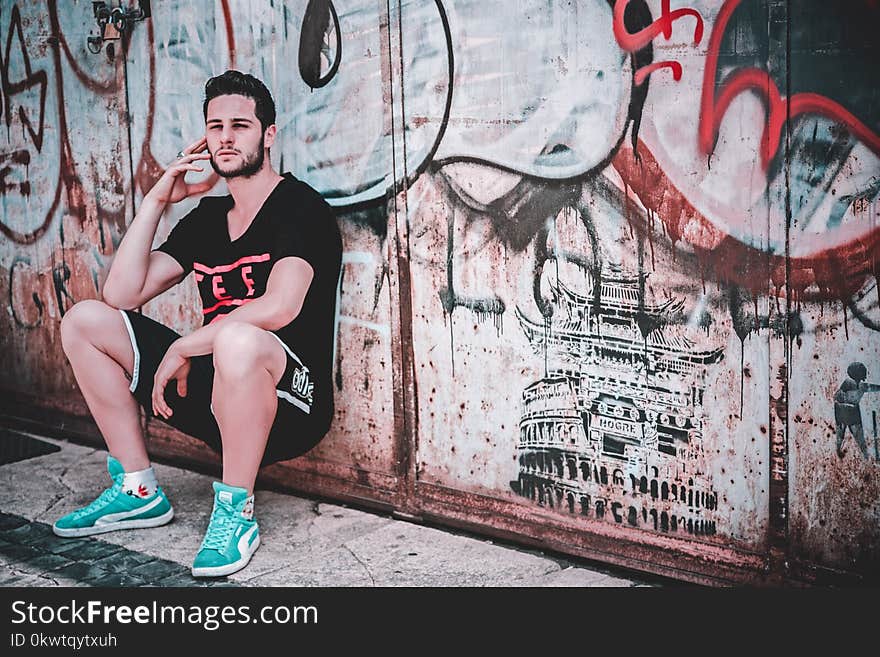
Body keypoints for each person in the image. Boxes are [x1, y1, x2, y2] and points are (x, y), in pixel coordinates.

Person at [52, 70, 342, 578]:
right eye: (215, 126)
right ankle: (137, 489)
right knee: (85, 321)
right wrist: (158, 199)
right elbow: (122, 293)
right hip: (212, 397)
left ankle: (236, 512)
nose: (226, 137)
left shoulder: (302, 209)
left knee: (237, 338)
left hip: (290, 401)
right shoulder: (207, 219)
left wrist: (186, 345)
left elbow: (280, 307)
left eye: (240, 125)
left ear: (268, 135)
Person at [834, 362, 880, 460]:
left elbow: (868, 387)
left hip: (850, 413)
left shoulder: (859, 385)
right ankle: (863, 455)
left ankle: (865, 456)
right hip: (845, 412)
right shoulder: (848, 383)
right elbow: (839, 396)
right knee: (842, 435)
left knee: (858, 438)